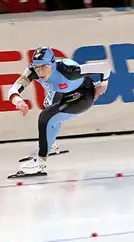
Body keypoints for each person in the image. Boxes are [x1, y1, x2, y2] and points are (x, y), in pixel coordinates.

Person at [8, 47, 111, 178]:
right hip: (63, 92)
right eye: (37, 67)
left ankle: (41, 162)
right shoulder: (32, 71)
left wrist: (103, 86)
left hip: (83, 94)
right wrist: (18, 101)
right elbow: (13, 89)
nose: (40, 72)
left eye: (44, 67)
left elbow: (104, 67)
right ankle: (50, 144)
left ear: (52, 64)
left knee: (46, 116)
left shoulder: (69, 71)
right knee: (48, 105)